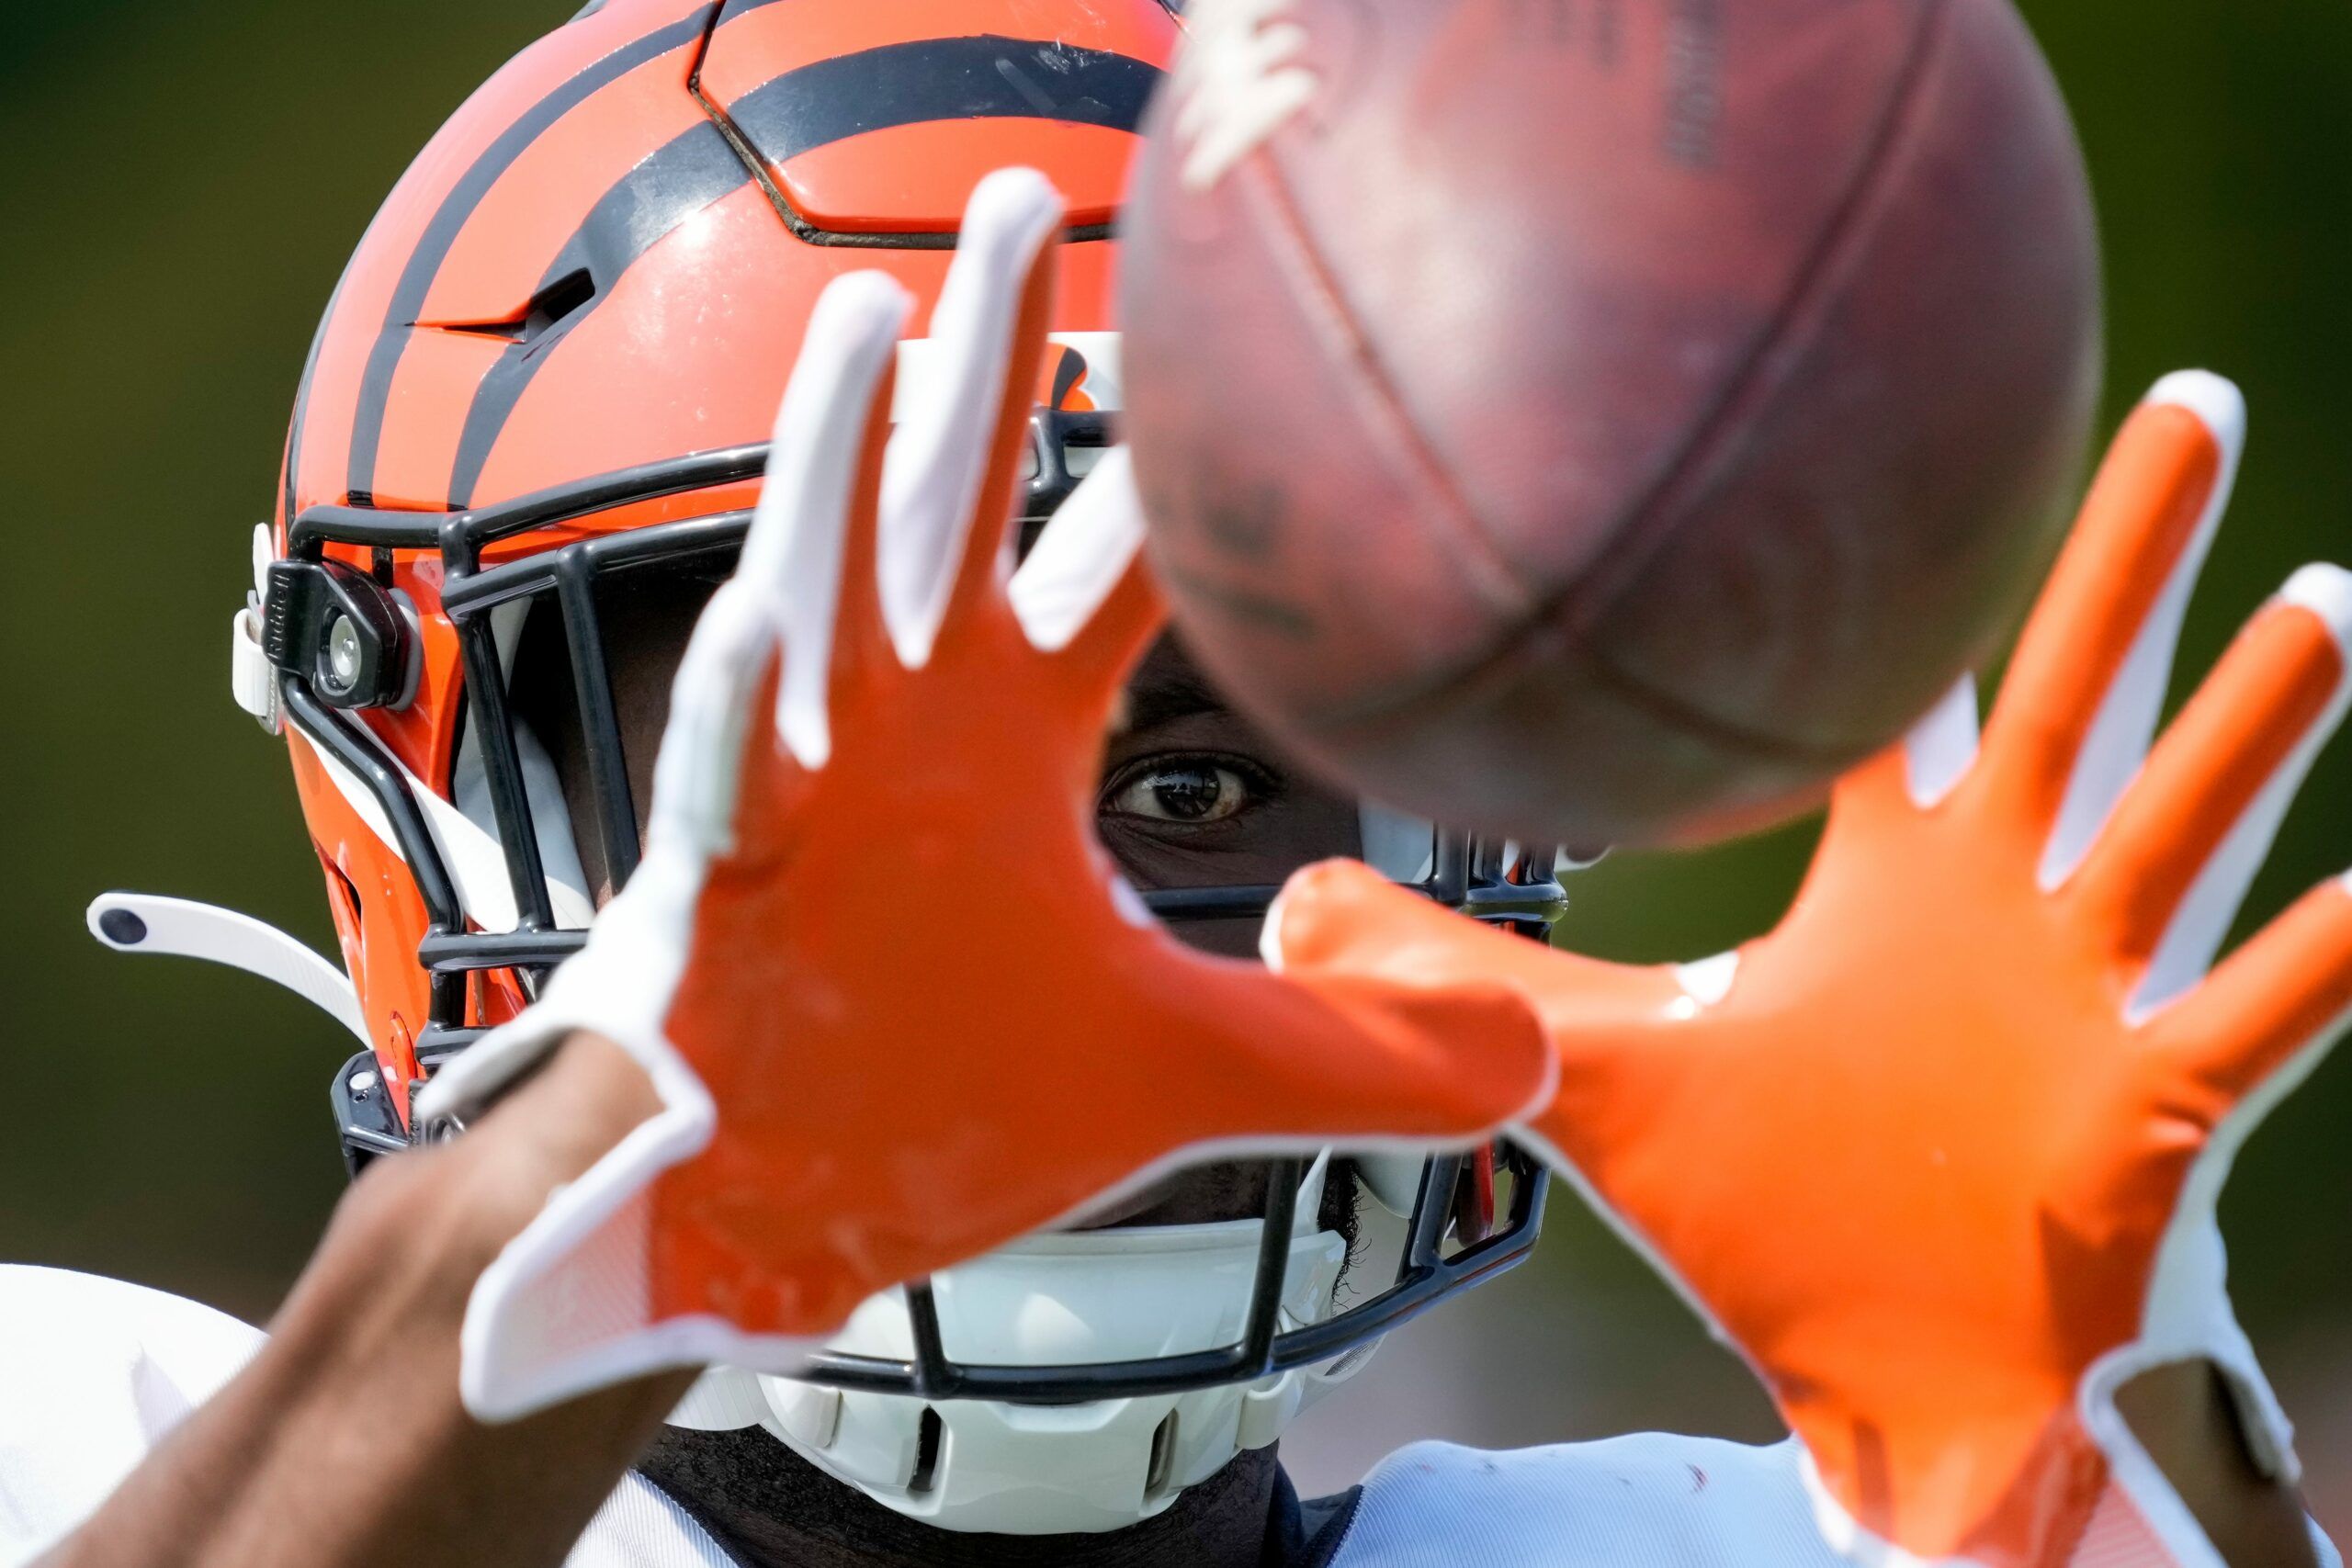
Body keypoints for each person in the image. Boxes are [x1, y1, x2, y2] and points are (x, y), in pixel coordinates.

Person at [6, 4, 2344, 1566]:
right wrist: (567, 1220)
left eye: (1204, 786)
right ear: (419, 778)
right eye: (816, 753)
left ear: (1463, 843)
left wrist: (2105, 1479)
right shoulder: (94, 1434)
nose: (1035, 927)